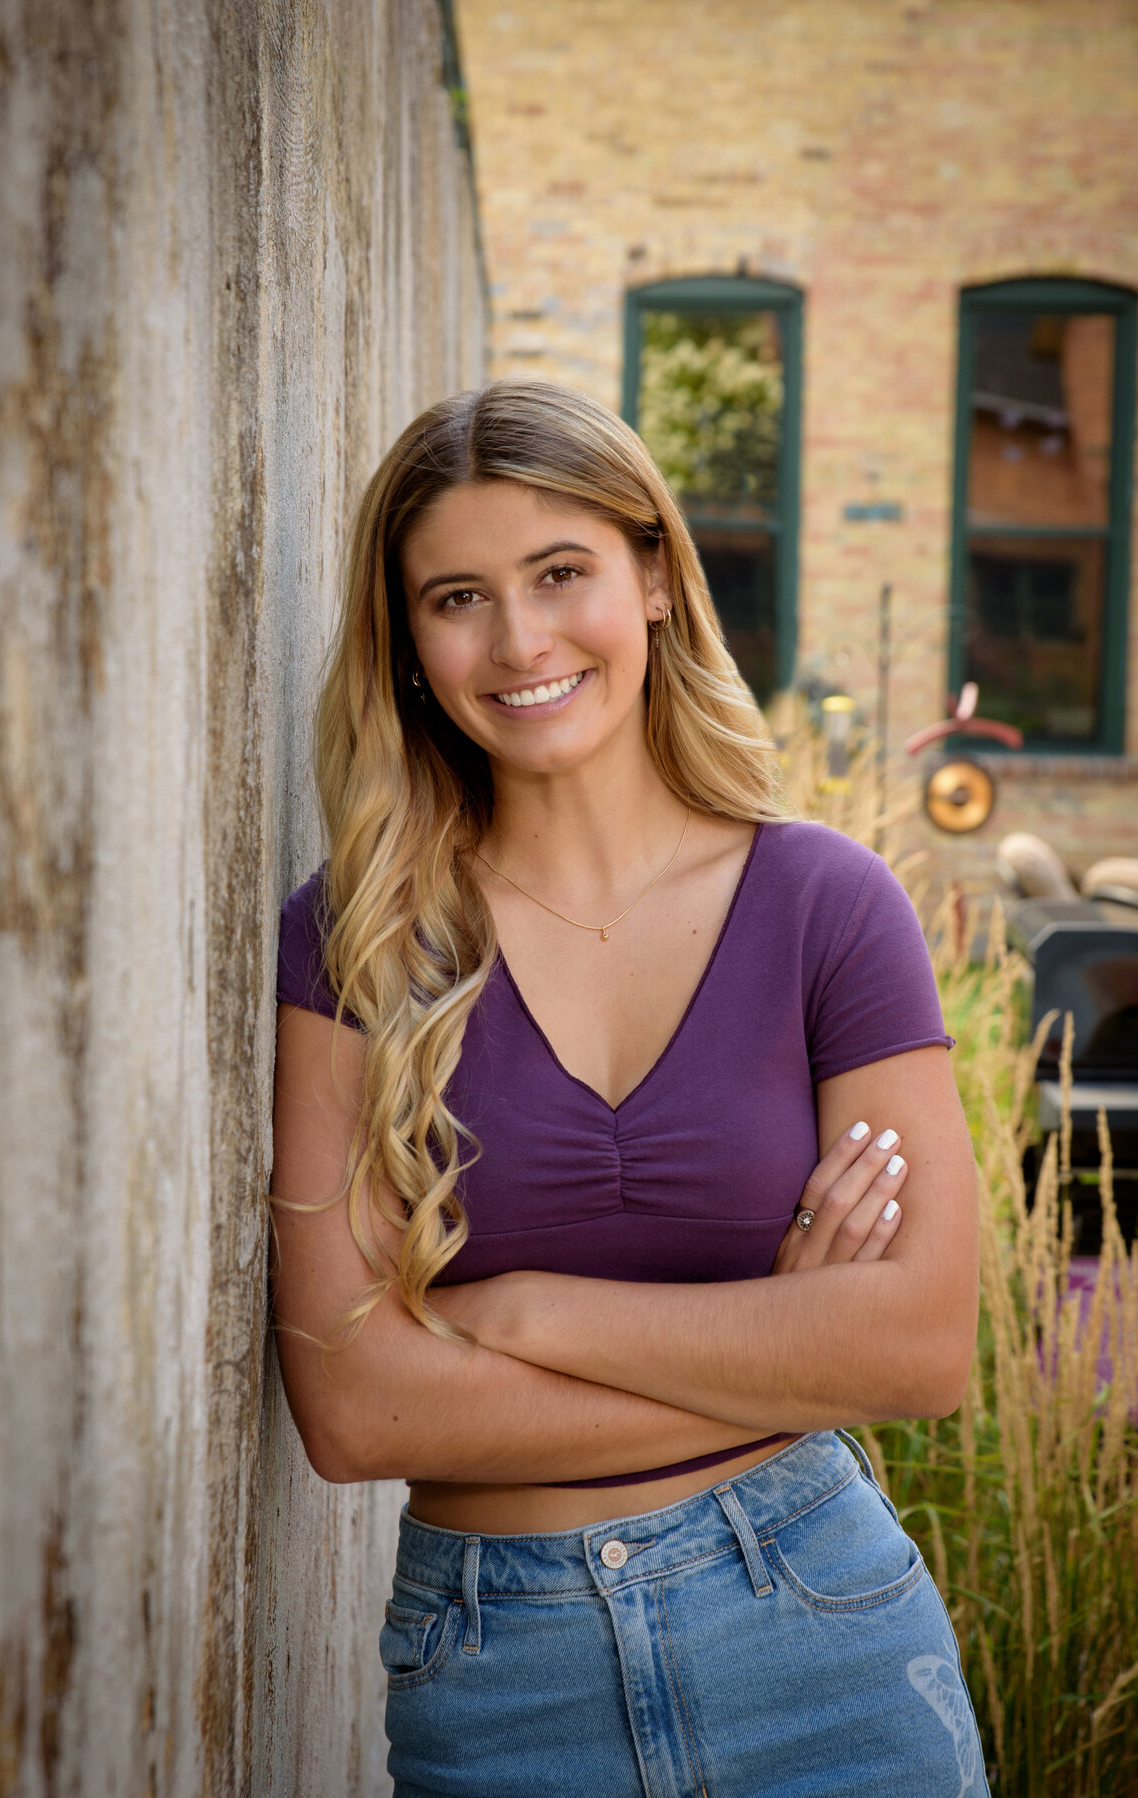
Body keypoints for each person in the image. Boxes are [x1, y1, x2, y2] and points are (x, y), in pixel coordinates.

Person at [270, 380, 989, 1797]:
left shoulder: (826, 906)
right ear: (406, 640)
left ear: (653, 574)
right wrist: (782, 1340)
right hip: (499, 1670)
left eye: (560, 574)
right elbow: (356, 1410)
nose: (520, 640)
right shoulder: (356, 933)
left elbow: (917, 1346)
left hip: (823, 1635)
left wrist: (528, 1316)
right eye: (458, 596)